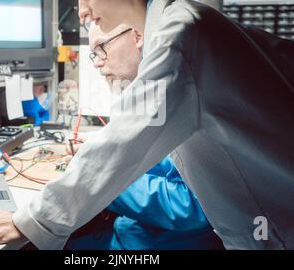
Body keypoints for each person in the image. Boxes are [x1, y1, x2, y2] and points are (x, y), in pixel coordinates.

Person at [0, 0, 294, 249]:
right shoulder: (190, 22)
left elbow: (123, 143)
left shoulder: (179, 36)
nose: (82, 11)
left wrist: (28, 221)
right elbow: (288, 53)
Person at [64, 23, 223, 250]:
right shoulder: (153, 97)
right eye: (93, 54)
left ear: (137, 36)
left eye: (101, 48)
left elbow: (190, 207)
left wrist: (98, 176)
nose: (98, 62)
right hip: (129, 233)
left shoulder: (186, 100)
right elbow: (162, 166)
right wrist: (101, 154)